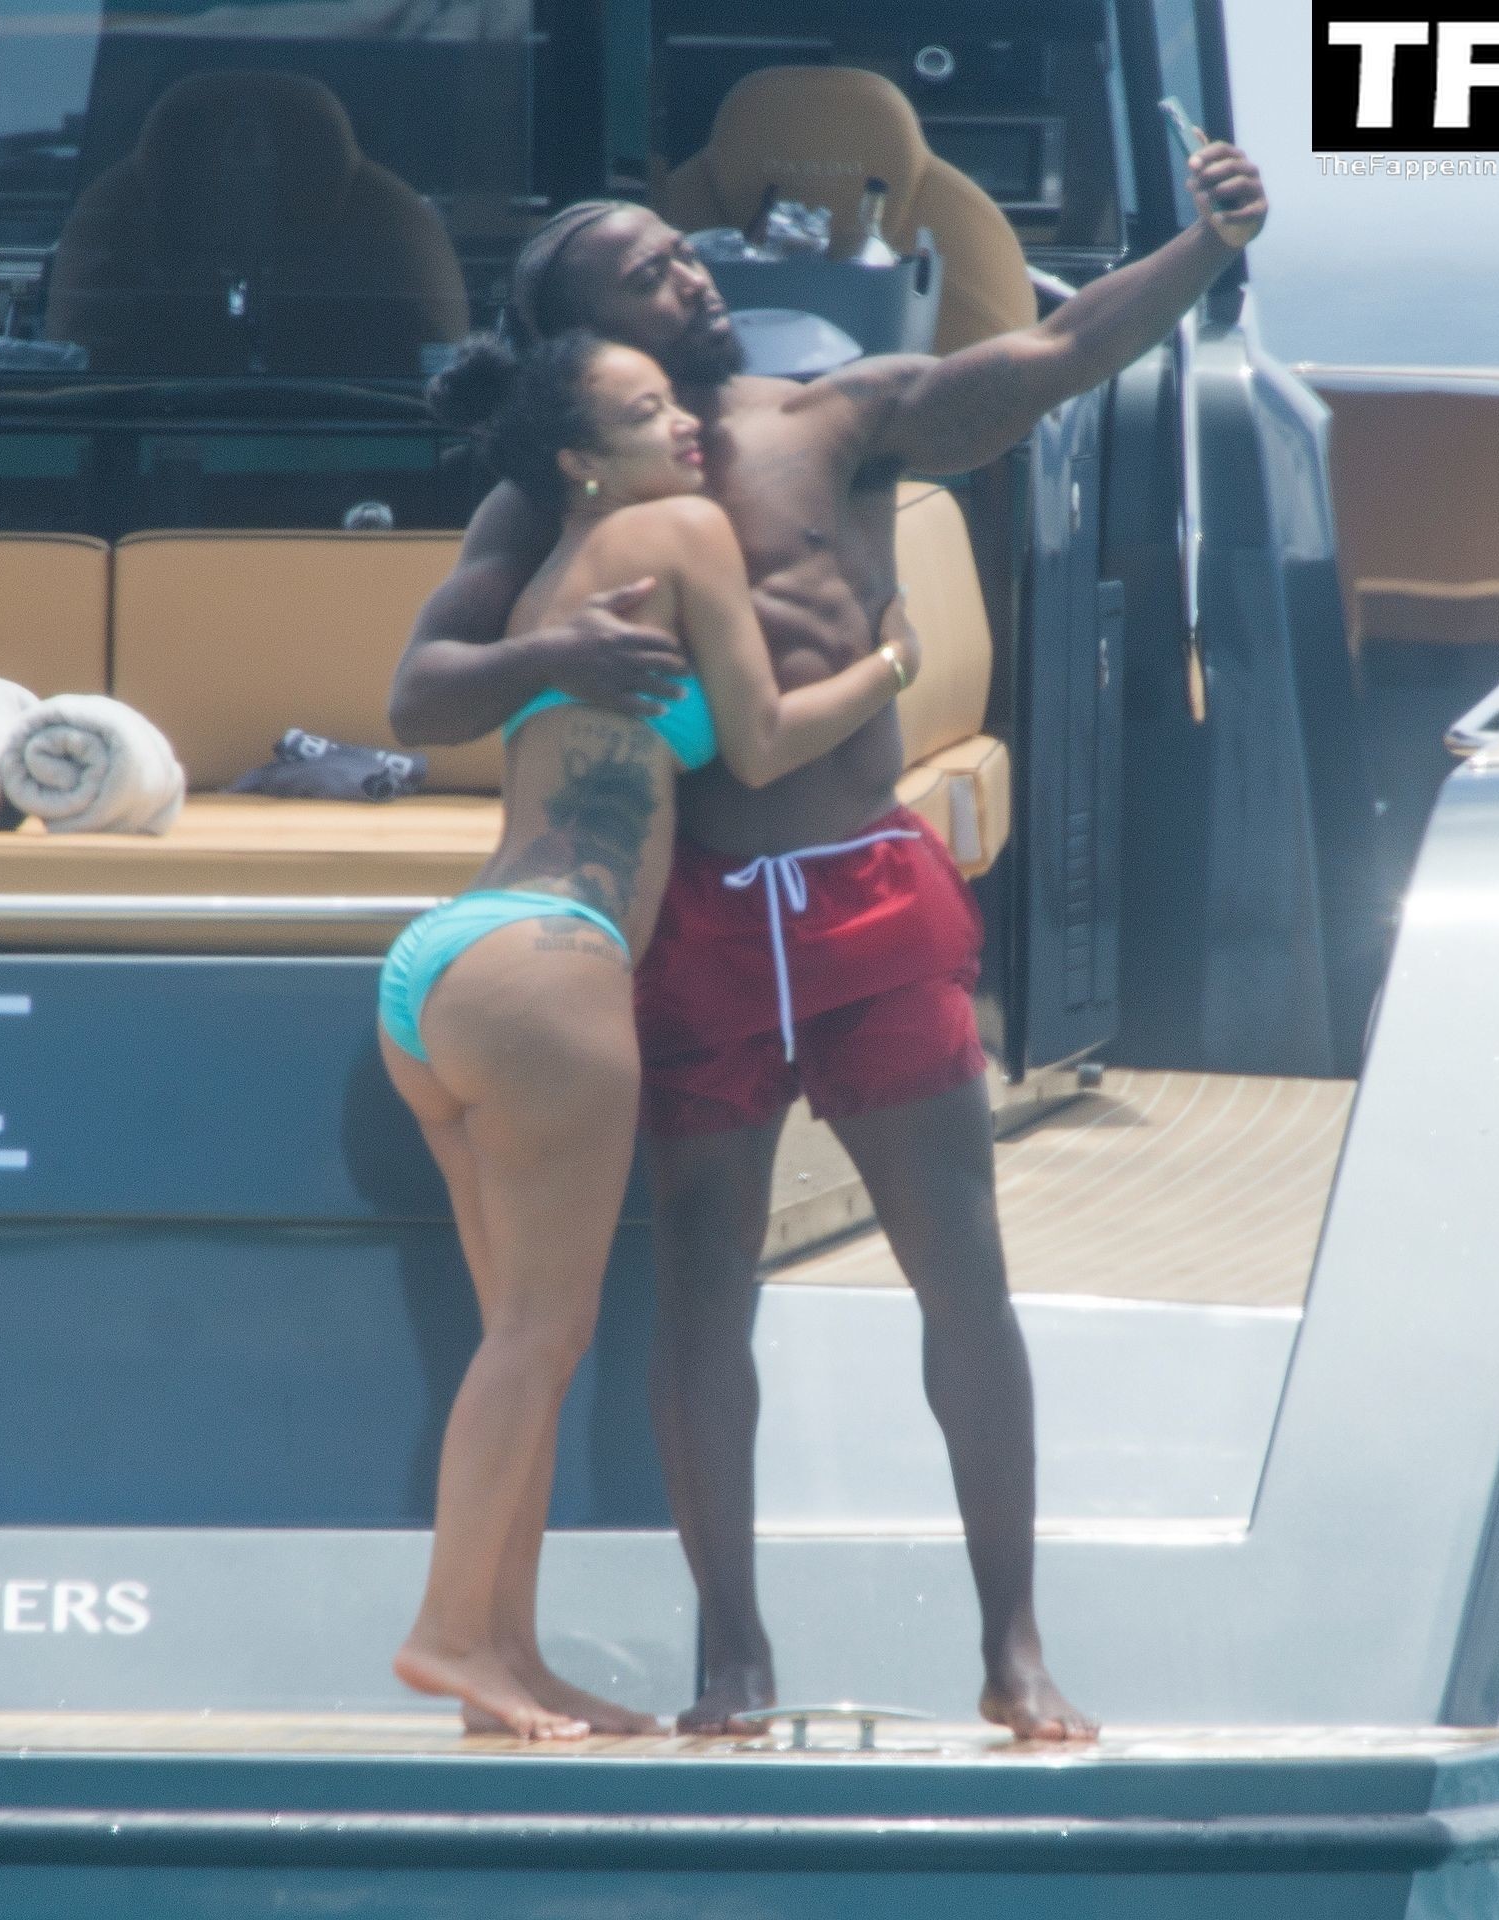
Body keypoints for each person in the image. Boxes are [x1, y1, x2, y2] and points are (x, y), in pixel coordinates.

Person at [389, 139, 1269, 1742]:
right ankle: (733, 1655)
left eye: (683, 250)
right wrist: (548, 654)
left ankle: (1013, 1648)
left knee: (964, 1280)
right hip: (694, 924)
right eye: (649, 272)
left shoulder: (830, 415)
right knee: (703, 1296)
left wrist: (1201, 248)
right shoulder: (556, 489)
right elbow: (419, 692)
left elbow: (1052, 357)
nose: (693, 274)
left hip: (865, 892)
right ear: (586, 340)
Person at [378, 327, 919, 1739]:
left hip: (450, 968)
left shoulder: (555, 569)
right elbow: (761, 737)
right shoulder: (679, 530)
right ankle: (448, 1633)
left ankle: (503, 1656)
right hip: (551, 969)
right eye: (647, 409)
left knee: (521, 1343)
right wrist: (886, 665)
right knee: (538, 1338)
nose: (689, 425)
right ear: (581, 458)